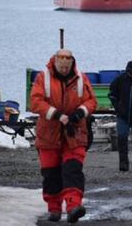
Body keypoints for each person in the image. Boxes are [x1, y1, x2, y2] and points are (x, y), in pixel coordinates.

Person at [30, 49, 97, 223]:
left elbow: (91, 101)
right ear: (56, 62)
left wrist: (79, 113)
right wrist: (57, 115)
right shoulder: (42, 78)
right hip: (49, 134)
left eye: (68, 66)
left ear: (72, 63)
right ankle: (54, 209)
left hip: (75, 132)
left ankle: (74, 206)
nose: (65, 69)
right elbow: (36, 102)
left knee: (72, 169)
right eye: (62, 66)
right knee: (51, 172)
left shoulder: (81, 78)